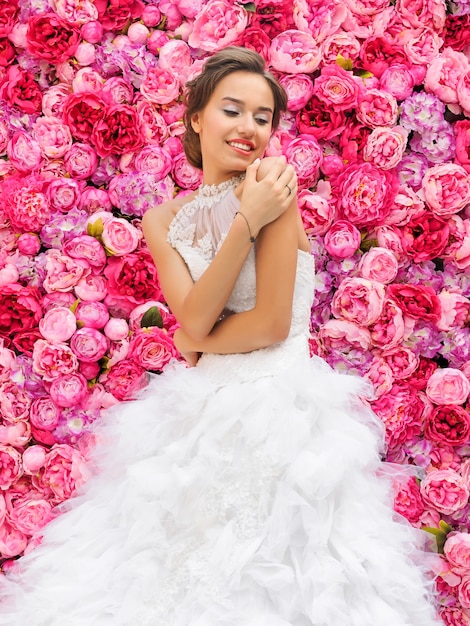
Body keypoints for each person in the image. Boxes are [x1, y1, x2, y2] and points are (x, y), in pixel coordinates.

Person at [0, 47, 442, 626]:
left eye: (263, 118)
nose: (249, 128)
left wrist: (197, 339)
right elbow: (195, 317)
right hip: (196, 419)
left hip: (280, 410)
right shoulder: (165, 219)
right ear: (196, 117)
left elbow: (269, 325)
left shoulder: (275, 190)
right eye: (233, 110)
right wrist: (243, 224)